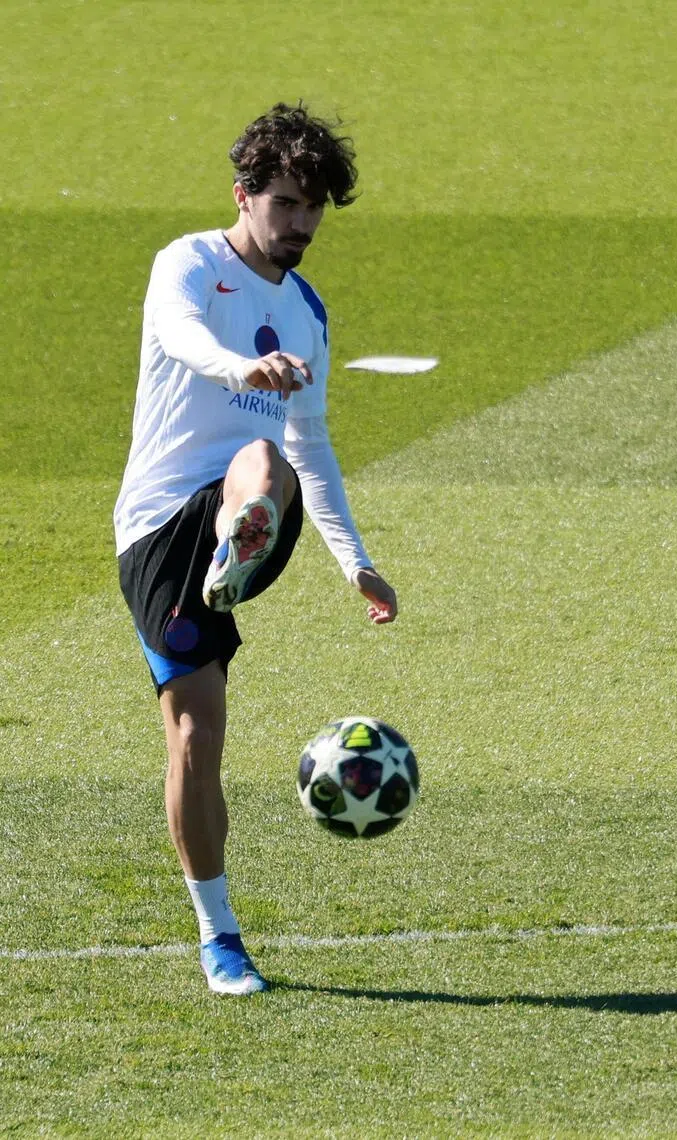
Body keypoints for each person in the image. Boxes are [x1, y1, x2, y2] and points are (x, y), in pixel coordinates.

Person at [113, 102, 397, 995]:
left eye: (314, 208)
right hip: (161, 526)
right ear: (244, 195)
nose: (303, 225)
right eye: (286, 204)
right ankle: (219, 937)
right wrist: (245, 370)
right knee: (195, 736)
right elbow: (180, 337)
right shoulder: (189, 263)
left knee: (269, 457)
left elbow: (314, 449)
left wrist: (354, 560)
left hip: (256, 509)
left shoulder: (307, 312)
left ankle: (243, 541)